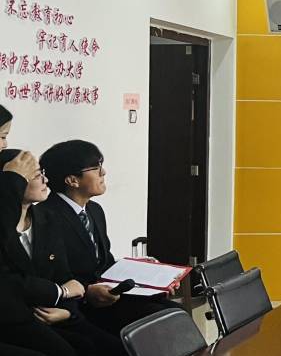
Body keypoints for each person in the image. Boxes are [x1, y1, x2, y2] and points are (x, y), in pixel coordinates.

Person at [1, 148, 139, 356]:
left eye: (42, 173)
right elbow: (15, 285)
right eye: (36, 175)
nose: (45, 180)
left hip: (59, 311)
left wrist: (67, 310)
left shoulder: (45, 218)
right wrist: (65, 297)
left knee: (113, 349)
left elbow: (65, 278)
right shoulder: (8, 228)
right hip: (22, 317)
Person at [34, 140, 177, 334]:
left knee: (174, 312)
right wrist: (87, 292)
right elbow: (51, 275)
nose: (103, 172)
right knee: (157, 321)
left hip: (108, 295)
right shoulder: (45, 217)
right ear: (72, 180)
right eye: (96, 168)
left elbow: (104, 262)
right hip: (79, 305)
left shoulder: (94, 210)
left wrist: (146, 273)